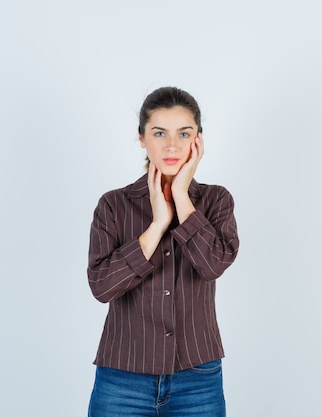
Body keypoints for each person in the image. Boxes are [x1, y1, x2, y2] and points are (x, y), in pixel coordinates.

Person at [87, 86, 239, 417]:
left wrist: (182, 198)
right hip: (122, 378)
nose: (172, 145)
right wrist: (157, 225)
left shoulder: (216, 201)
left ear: (198, 139)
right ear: (142, 138)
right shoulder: (113, 205)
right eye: (159, 133)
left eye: (184, 133)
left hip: (198, 379)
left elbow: (212, 265)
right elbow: (102, 286)